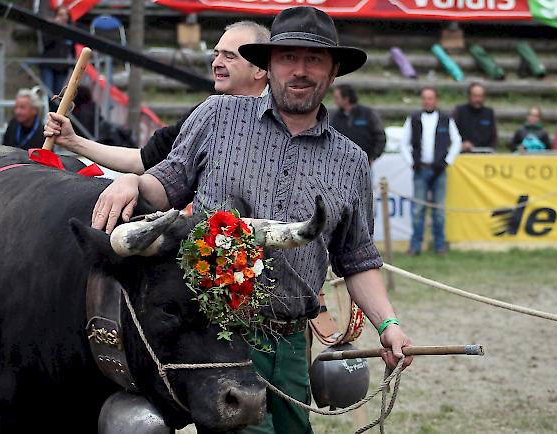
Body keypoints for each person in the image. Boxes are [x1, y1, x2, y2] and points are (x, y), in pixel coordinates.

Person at [83, 7, 412, 433]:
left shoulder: (350, 161)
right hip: (220, 338)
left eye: (314, 60)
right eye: (288, 58)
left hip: (293, 341)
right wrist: (131, 181)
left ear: (332, 73)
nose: (299, 70)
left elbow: (357, 258)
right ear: (269, 65)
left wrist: (389, 325)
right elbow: (166, 185)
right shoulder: (217, 116)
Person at [44, 21, 270, 173]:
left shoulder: (287, 116)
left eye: (229, 56)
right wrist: (73, 141)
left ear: (259, 69)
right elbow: (143, 161)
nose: (216, 63)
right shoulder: (204, 114)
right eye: (216, 54)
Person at [400, 87, 462, 255]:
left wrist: (446, 162)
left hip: (439, 171)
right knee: (418, 210)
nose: (427, 101)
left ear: (436, 100)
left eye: (431, 98)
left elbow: (457, 142)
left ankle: (440, 246)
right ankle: (415, 246)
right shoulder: (413, 118)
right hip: (420, 170)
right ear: (422, 100)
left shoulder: (445, 118)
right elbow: (403, 143)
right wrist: (411, 162)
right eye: (425, 98)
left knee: (439, 211)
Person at [330, 84, 386, 162]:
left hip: (364, 163)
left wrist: (373, 156)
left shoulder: (368, 114)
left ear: (346, 99)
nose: (334, 100)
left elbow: (380, 136)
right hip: (341, 165)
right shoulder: (334, 117)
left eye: (336, 97)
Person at [40, 5, 74, 97]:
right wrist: (56, 29)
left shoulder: (71, 31)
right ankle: (48, 109)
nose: (62, 17)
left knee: (58, 94)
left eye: (65, 15)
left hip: (63, 67)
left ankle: (55, 110)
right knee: (48, 92)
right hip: (49, 64)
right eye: (60, 15)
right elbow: (46, 43)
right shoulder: (49, 28)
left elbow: (72, 49)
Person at [453, 82, 497, 152]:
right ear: (469, 96)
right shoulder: (460, 111)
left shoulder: (489, 113)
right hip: (463, 154)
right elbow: (453, 133)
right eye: (475, 96)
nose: (478, 99)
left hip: (484, 154)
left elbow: (493, 137)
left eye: (480, 96)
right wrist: (461, 144)